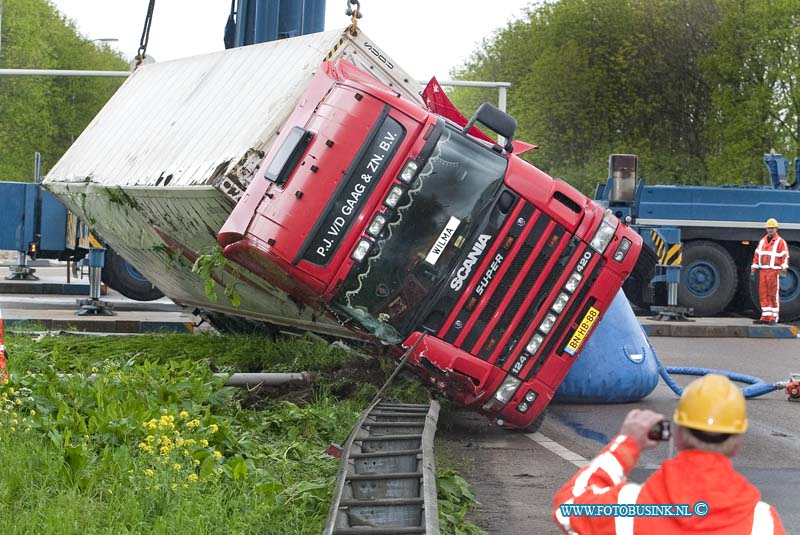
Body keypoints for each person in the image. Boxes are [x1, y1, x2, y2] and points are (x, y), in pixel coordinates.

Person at [553, 374, 786, 534]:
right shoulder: (762, 522)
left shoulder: (631, 508)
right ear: (737, 442)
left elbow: (568, 507)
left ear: (679, 434)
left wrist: (626, 444)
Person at [751, 218, 789, 324]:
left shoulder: (780, 242)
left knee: (773, 294)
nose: (770, 230)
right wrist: (753, 269)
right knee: (763, 293)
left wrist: (783, 270)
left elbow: (784, 257)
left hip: (773, 271)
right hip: (763, 271)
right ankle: (765, 315)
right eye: (769, 228)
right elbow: (757, 255)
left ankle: (774, 317)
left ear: (776, 229)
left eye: (772, 228)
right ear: (766, 229)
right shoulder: (762, 241)